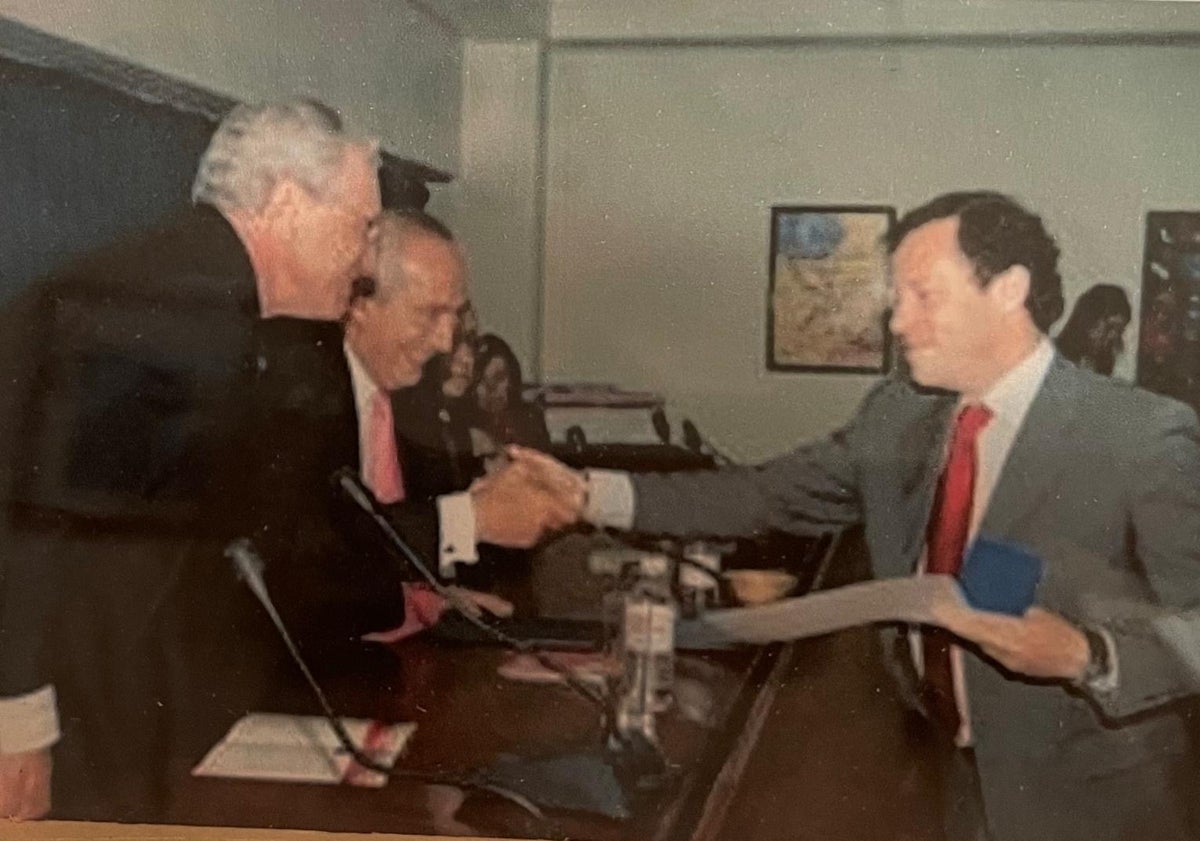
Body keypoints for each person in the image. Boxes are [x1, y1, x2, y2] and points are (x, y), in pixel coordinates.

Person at [508, 191, 1200, 841]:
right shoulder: (898, 415)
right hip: (944, 773)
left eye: (922, 295)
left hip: (1093, 805)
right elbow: (765, 493)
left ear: (1009, 290)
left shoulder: (1138, 434)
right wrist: (588, 492)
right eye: (897, 298)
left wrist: (1090, 655)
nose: (897, 321)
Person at [0, 100, 577, 821]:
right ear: (285, 202)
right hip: (66, 712)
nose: (367, 260)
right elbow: (27, 512)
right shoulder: (173, 301)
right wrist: (17, 725)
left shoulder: (211, 294)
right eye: (363, 227)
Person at [471, 333, 551, 457]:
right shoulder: (464, 423)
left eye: (498, 378)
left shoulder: (530, 418)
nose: (491, 388)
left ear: (512, 378)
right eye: (482, 380)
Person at [1054, 283, 1132, 375]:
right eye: (1110, 327)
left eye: (1119, 331)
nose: (1113, 336)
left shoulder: (1104, 366)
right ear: (1089, 320)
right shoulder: (1051, 356)